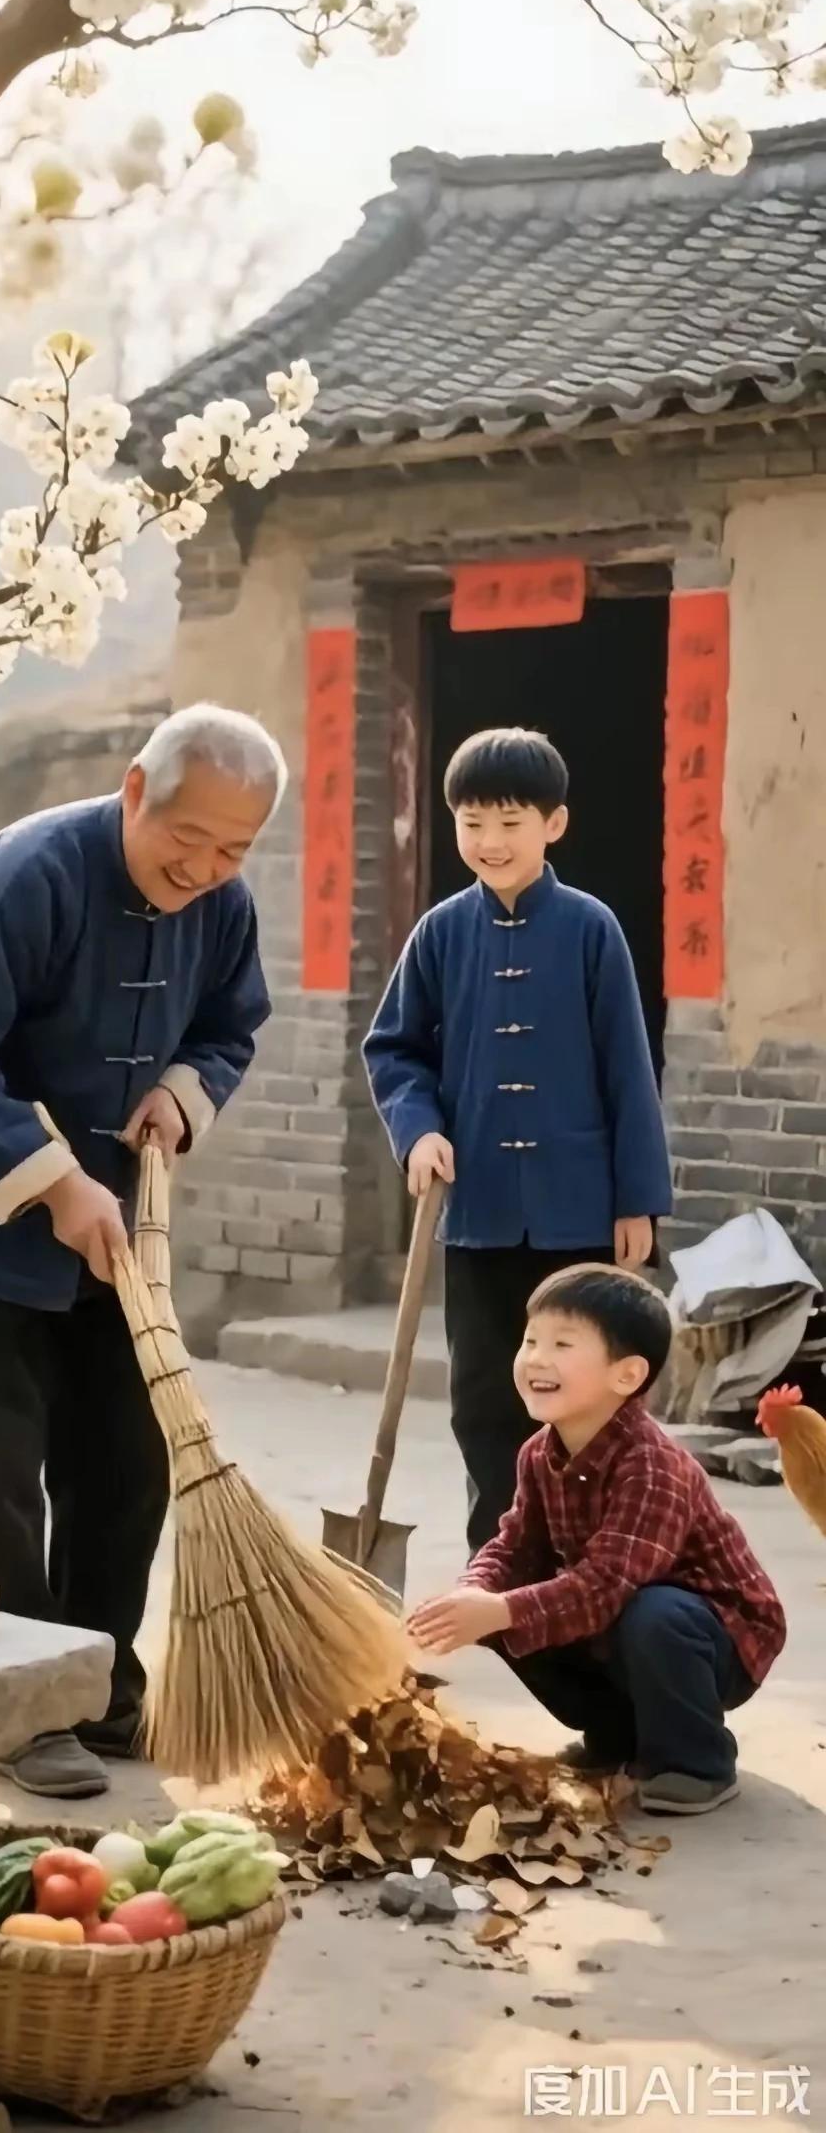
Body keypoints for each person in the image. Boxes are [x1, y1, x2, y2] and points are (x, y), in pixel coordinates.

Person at [0, 702, 285, 1800]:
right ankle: (14, 1705)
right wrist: (53, 1182)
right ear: (134, 789)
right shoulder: (29, 874)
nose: (203, 867)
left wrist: (181, 1093)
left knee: (125, 1460)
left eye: (234, 849)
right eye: (187, 838)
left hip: (118, 1220)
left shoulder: (225, 906)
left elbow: (229, 1025)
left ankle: (97, 1683)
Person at [363, 727, 672, 1553]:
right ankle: (497, 1562)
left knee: (582, 1395)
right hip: (477, 1217)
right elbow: (393, 1049)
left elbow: (629, 1069)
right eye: (471, 822)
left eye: (510, 820)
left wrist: (638, 1198)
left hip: (578, 1214)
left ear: (554, 825)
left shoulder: (590, 929)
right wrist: (418, 1131)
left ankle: (595, 1558)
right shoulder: (438, 933)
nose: (490, 842)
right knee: (485, 1399)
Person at [408, 1265, 786, 1815]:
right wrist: (470, 1596)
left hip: (715, 1636)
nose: (536, 1357)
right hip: (624, 1620)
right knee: (501, 1607)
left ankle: (698, 1760)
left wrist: (502, 1609)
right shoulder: (539, 1453)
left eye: (562, 1344)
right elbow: (513, 1547)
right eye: (530, 1340)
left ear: (627, 1376)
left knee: (649, 1612)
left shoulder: (652, 1466)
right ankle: (617, 1735)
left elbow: (608, 1583)